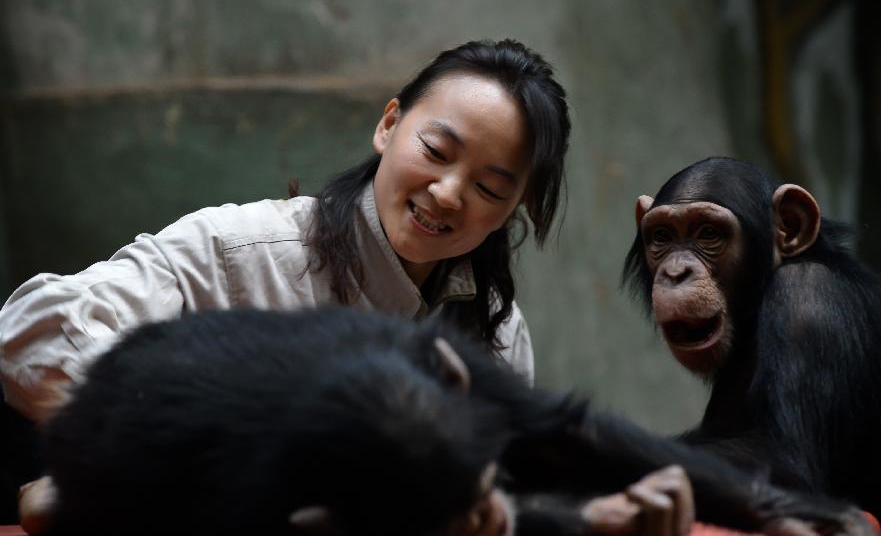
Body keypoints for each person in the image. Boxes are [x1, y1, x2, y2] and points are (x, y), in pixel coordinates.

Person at [0, 39, 570, 425]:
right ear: (389, 124)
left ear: (515, 209)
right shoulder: (240, 250)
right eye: (436, 151)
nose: (448, 193)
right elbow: (30, 332)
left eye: (491, 188)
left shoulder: (495, 327)